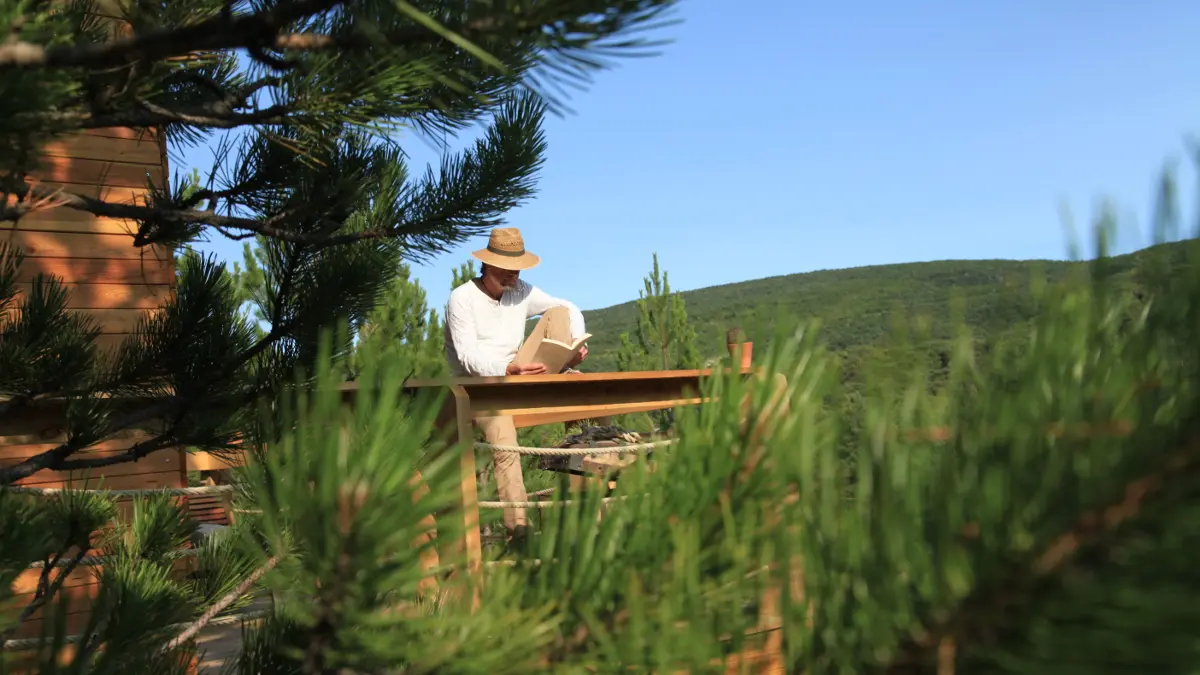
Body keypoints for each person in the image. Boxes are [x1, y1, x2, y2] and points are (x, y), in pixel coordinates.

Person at [444, 227, 588, 544]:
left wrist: (575, 341)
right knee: (504, 440)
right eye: (507, 268)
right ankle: (519, 532)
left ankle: (564, 372)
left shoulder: (521, 290)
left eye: (517, 267)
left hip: (521, 376)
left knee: (559, 313)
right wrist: (507, 369)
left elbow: (567, 306)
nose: (513, 275)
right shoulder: (462, 299)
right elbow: (468, 357)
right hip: (477, 388)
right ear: (488, 264)